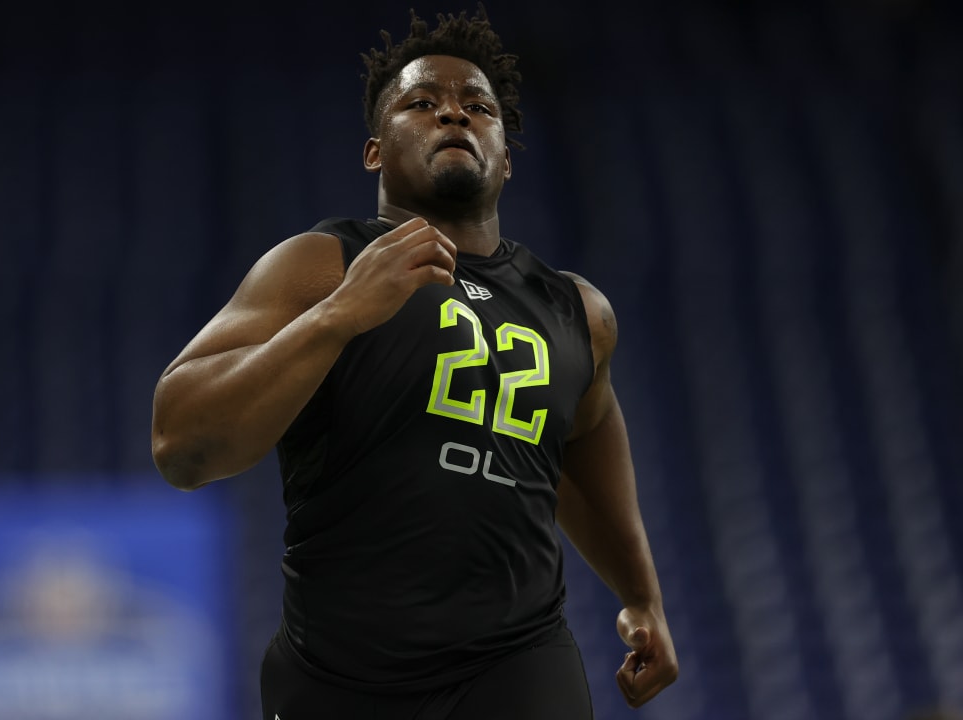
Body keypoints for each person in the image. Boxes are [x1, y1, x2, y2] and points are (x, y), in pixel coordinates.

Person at [151, 6, 678, 719]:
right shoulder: (322, 263)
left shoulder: (579, 310)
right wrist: (337, 316)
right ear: (376, 151)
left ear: (506, 154)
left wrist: (641, 596)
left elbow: (583, 442)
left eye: (477, 107)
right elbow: (181, 446)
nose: (453, 116)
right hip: (340, 673)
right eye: (422, 103)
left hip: (517, 662)